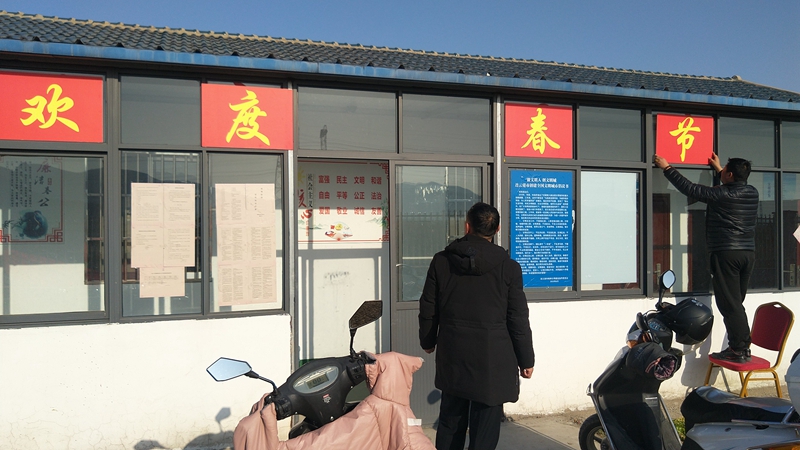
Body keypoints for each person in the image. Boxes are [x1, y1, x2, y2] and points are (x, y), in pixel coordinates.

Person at [418, 202, 534, 450]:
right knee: (486, 427)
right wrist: (526, 359)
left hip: (454, 353)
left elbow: (428, 305)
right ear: (497, 229)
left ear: (467, 226)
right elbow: (517, 317)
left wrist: (427, 340)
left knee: (450, 420)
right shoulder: (509, 268)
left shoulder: (441, 261)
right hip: (493, 357)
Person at [654, 153, 759, 363]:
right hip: (747, 253)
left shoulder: (722, 194)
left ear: (730, 175)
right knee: (735, 303)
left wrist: (667, 168)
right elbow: (730, 185)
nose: (723, 171)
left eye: (725, 170)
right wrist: (719, 169)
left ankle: (739, 349)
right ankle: (740, 347)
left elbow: (691, 189)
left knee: (730, 305)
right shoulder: (752, 192)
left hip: (726, 253)